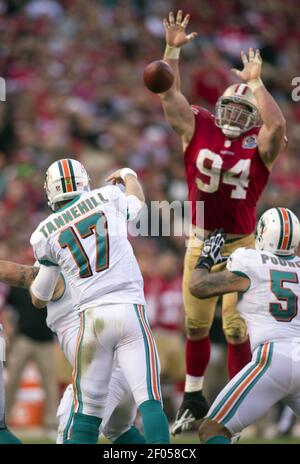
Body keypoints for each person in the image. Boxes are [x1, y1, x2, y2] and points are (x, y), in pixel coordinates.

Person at [158, 10, 286, 434]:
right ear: (217, 107)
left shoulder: (260, 146)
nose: (231, 115)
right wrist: (172, 50)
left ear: (252, 116)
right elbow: (167, 94)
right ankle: (193, 399)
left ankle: (234, 405)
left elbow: (278, 124)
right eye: (227, 107)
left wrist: (256, 84)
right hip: (200, 237)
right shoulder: (199, 126)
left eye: (241, 109)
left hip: (241, 245)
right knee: (195, 324)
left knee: (234, 328)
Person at [29, 159, 169, 444]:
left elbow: (40, 297)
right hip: (128, 310)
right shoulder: (107, 196)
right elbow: (138, 205)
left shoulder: (45, 232)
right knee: (150, 401)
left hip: (91, 321)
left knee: (85, 418)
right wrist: (128, 174)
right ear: (84, 180)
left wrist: (35, 284)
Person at [0, 259, 145, 444]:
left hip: (101, 373)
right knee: (120, 430)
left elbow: (34, 293)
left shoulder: (55, 277)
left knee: (70, 436)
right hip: (125, 364)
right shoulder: (100, 277)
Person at [188, 208, 300, 444]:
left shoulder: (250, 260)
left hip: (272, 358)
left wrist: (206, 259)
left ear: (263, 232)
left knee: (212, 429)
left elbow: (198, 287)